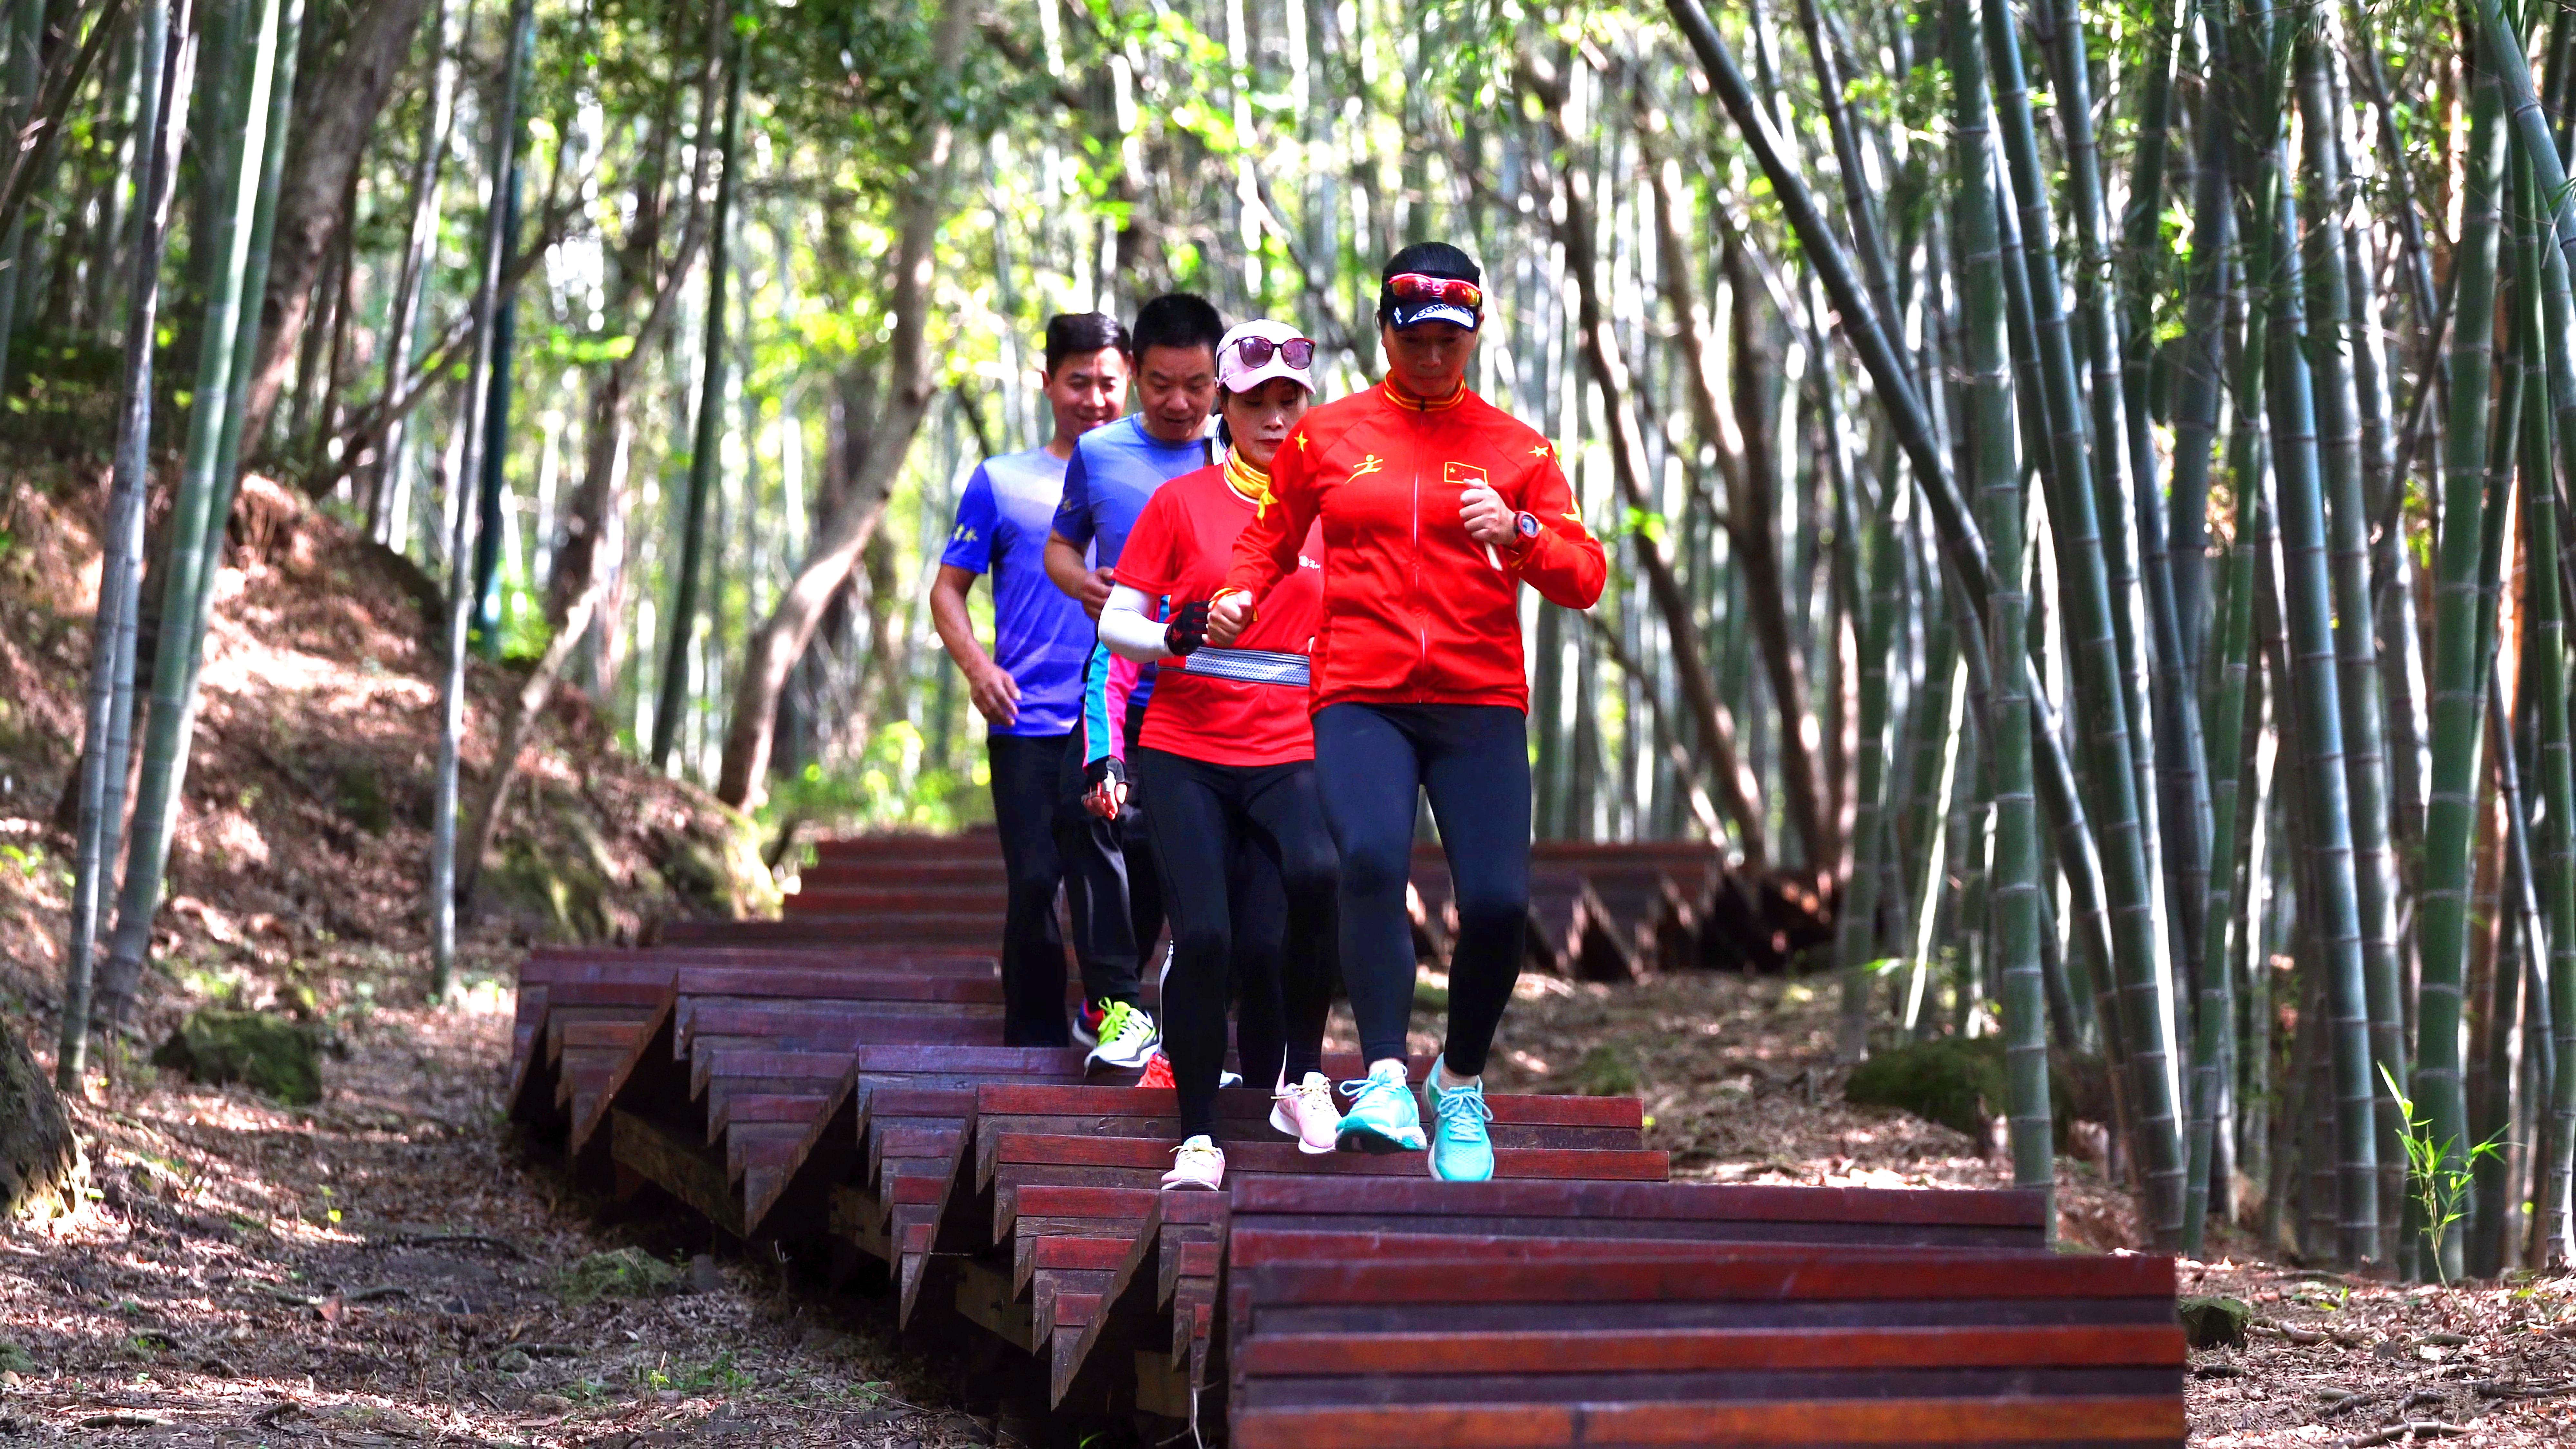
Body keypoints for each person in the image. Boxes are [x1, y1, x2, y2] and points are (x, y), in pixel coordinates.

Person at [1208, 243, 1605, 1182]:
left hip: (1479, 698)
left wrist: (1521, 531)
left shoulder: (1519, 449)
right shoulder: (1327, 437)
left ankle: (1458, 1081)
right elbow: (1268, 540)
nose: (1431, 357)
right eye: (1415, 339)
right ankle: (1386, 1076)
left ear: (1474, 336)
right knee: (1372, 862)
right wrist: (1236, 594)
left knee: (1500, 905)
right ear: (1385, 331)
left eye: (1449, 342)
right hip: (1362, 694)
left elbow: (1585, 575)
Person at [1086, 320, 1341, 1191]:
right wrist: (1176, 634)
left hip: (1292, 745)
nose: (1274, 418)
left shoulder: (1336, 510)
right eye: (1255, 401)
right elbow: (1117, 622)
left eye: (1289, 401)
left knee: (1308, 886)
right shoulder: (1180, 503)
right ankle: (1197, 1137)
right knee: (1205, 937)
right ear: (1223, 408)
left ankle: (1302, 1080)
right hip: (1186, 748)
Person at [930, 314, 1132, 1047]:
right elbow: (947, 589)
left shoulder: (1154, 474)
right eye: (1078, 382)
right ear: (1046, 384)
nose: (1094, 398)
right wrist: (978, 668)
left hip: (1126, 721)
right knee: (1036, 882)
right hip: (1029, 721)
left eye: (1108, 382)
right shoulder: (1002, 480)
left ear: (1130, 382)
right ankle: (1033, 1047)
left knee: (1123, 882)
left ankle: (1116, 1022)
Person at [1044, 293, 1227, 1071]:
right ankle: (1115, 1004)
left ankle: (1172, 1015)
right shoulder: (1100, 453)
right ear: (1134, 374)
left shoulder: (1242, 453)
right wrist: (1081, 584)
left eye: (1196, 385)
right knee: (1084, 811)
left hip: (1212, 692)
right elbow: (1062, 545)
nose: (1179, 403)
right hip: (1120, 682)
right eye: (1160, 384)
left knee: (1166, 850)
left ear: (1221, 379)